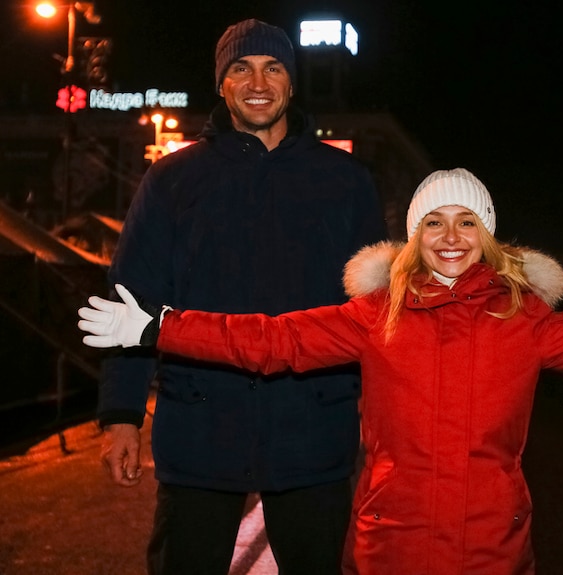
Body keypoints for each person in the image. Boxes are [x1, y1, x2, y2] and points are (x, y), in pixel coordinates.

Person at [79, 168, 563, 575]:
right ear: (413, 237)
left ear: (489, 237)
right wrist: (157, 325)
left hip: (493, 549)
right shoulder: (375, 316)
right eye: (434, 221)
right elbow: (269, 341)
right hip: (388, 548)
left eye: (468, 221)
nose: (451, 235)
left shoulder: (524, 319)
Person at [96, 18, 387, 575]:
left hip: (313, 431)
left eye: (273, 67)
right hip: (200, 427)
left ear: (292, 83)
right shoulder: (173, 179)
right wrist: (121, 415)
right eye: (241, 68)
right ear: (221, 84)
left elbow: (374, 312)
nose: (258, 81)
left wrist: (388, 424)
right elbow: (130, 300)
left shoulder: (346, 180)